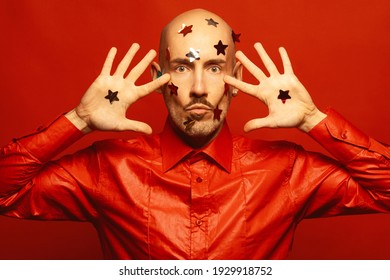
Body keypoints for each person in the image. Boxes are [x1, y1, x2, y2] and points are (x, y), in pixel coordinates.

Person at [0, 8, 389, 260]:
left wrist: (313, 120)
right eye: (183, 68)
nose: (200, 87)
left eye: (216, 67)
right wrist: (79, 119)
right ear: (158, 79)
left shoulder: (286, 171)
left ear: (235, 83)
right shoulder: (110, 168)